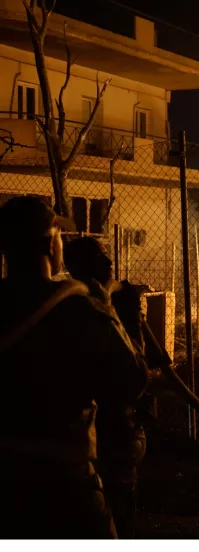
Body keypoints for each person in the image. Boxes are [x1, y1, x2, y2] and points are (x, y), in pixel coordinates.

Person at [0, 196, 148, 538]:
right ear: (50, 244)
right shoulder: (78, 310)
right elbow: (132, 380)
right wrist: (110, 310)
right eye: (58, 235)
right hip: (64, 485)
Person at [65, 236, 167, 539]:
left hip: (96, 433)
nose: (110, 261)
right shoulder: (98, 307)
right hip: (111, 432)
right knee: (115, 510)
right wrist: (131, 313)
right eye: (101, 256)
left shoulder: (67, 302)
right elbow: (135, 374)